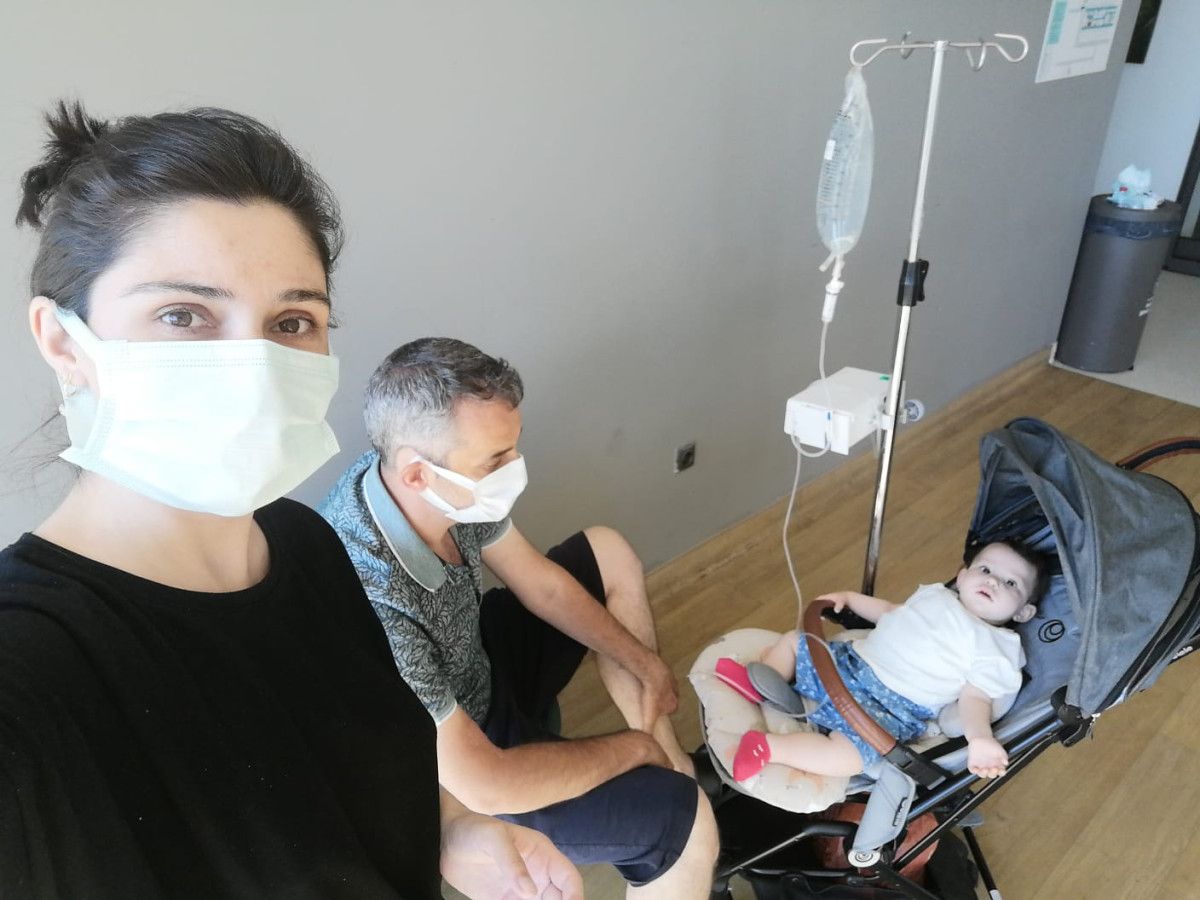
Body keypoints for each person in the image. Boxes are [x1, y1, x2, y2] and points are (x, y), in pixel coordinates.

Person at [1, 100, 581, 900]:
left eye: (292, 321)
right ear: (65, 343)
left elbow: (373, 788)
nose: (254, 367)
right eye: (183, 314)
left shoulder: (306, 545)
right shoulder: (31, 676)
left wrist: (458, 831)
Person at [319, 337, 720, 898]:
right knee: (689, 829)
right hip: (452, 768)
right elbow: (487, 784)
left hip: (473, 664)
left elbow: (541, 585)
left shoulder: (427, 482)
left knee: (604, 550)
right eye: (495, 460)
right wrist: (633, 750)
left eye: (513, 448)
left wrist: (644, 663)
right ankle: (676, 809)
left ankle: (673, 762)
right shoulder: (373, 597)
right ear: (417, 475)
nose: (514, 469)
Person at [719, 541, 1049, 783]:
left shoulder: (997, 646)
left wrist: (980, 739)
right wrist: (850, 599)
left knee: (851, 757)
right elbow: (891, 612)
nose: (992, 581)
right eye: (985, 570)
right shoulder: (937, 596)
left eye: (1011, 583)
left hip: (889, 710)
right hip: (849, 665)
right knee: (795, 641)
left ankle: (769, 748)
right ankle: (759, 683)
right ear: (962, 576)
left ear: (1024, 612)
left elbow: (975, 698)